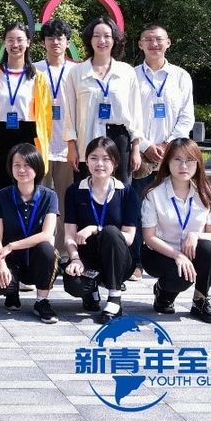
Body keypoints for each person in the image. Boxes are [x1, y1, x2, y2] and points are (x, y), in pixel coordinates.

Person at [130, 23, 195, 280]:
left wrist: (169, 145)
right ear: (140, 44)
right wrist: (146, 145)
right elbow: (128, 117)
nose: (154, 44)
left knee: (171, 207)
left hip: (173, 154)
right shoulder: (131, 76)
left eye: (159, 39)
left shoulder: (181, 76)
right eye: (148, 39)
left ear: (168, 43)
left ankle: (171, 257)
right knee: (137, 208)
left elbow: (187, 116)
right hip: (141, 153)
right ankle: (136, 263)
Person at [141, 137, 211, 324]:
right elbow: (149, 237)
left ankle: (200, 300)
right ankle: (163, 292)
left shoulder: (207, 193)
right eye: (177, 159)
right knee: (181, 276)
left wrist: (195, 235)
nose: (183, 166)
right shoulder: (154, 194)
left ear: (198, 163)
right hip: (160, 253)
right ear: (167, 162)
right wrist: (177, 256)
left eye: (189, 160)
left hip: (191, 250)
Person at [62, 137, 138, 324]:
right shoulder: (74, 191)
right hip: (87, 257)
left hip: (118, 260)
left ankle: (114, 297)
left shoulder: (127, 193)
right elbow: (69, 234)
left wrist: (95, 229)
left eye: (106, 159)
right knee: (74, 284)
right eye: (94, 158)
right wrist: (75, 258)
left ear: (115, 163)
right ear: (86, 161)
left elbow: (129, 237)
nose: (99, 164)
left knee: (111, 232)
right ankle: (91, 290)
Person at [64, 16, 145, 184]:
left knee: (120, 190)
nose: (102, 41)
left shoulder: (127, 72)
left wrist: (136, 148)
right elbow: (69, 114)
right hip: (87, 140)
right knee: (87, 190)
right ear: (89, 39)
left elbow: (136, 113)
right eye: (96, 36)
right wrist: (71, 147)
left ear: (115, 39)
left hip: (119, 139)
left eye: (107, 36)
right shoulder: (77, 73)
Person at [0, 23, 53, 198]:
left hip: (28, 135)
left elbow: (46, 116)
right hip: (0, 137)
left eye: (20, 40)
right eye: (10, 40)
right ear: (4, 43)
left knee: (27, 189)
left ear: (28, 42)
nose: (15, 44)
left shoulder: (38, 77)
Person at [0, 143, 60, 324]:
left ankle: (42, 301)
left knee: (47, 249)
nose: (21, 170)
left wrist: (12, 245)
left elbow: (46, 234)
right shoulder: (1, 196)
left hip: (36, 259)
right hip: (11, 259)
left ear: (37, 167)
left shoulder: (49, 196)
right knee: (1, 285)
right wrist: (1, 264)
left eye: (27, 165)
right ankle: (12, 293)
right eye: (17, 165)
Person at [35, 18, 74, 244]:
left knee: (65, 199)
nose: (55, 42)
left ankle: (63, 249)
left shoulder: (76, 71)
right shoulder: (34, 70)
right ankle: (40, 248)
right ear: (43, 42)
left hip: (67, 146)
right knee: (38, 199)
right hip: (40, 145)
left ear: (67, 42)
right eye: (50, 38)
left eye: (60, 38)